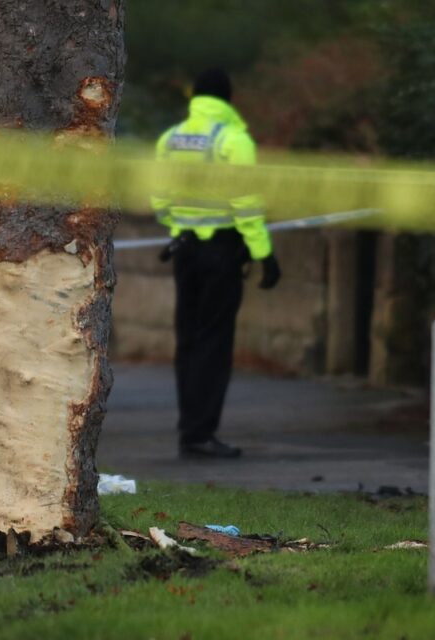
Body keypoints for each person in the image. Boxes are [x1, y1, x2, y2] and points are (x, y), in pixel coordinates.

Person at [151, 68, 281, 459]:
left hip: (185, 249)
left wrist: (181, 226)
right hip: (222, 251)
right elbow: (245, 203)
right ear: (228, 98)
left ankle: (190, 429)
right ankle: (200, 433)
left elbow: (160, 199)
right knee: (213, 341)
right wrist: (263, 254)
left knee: (188, 340)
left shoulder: (171, 139)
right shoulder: (232, 140)